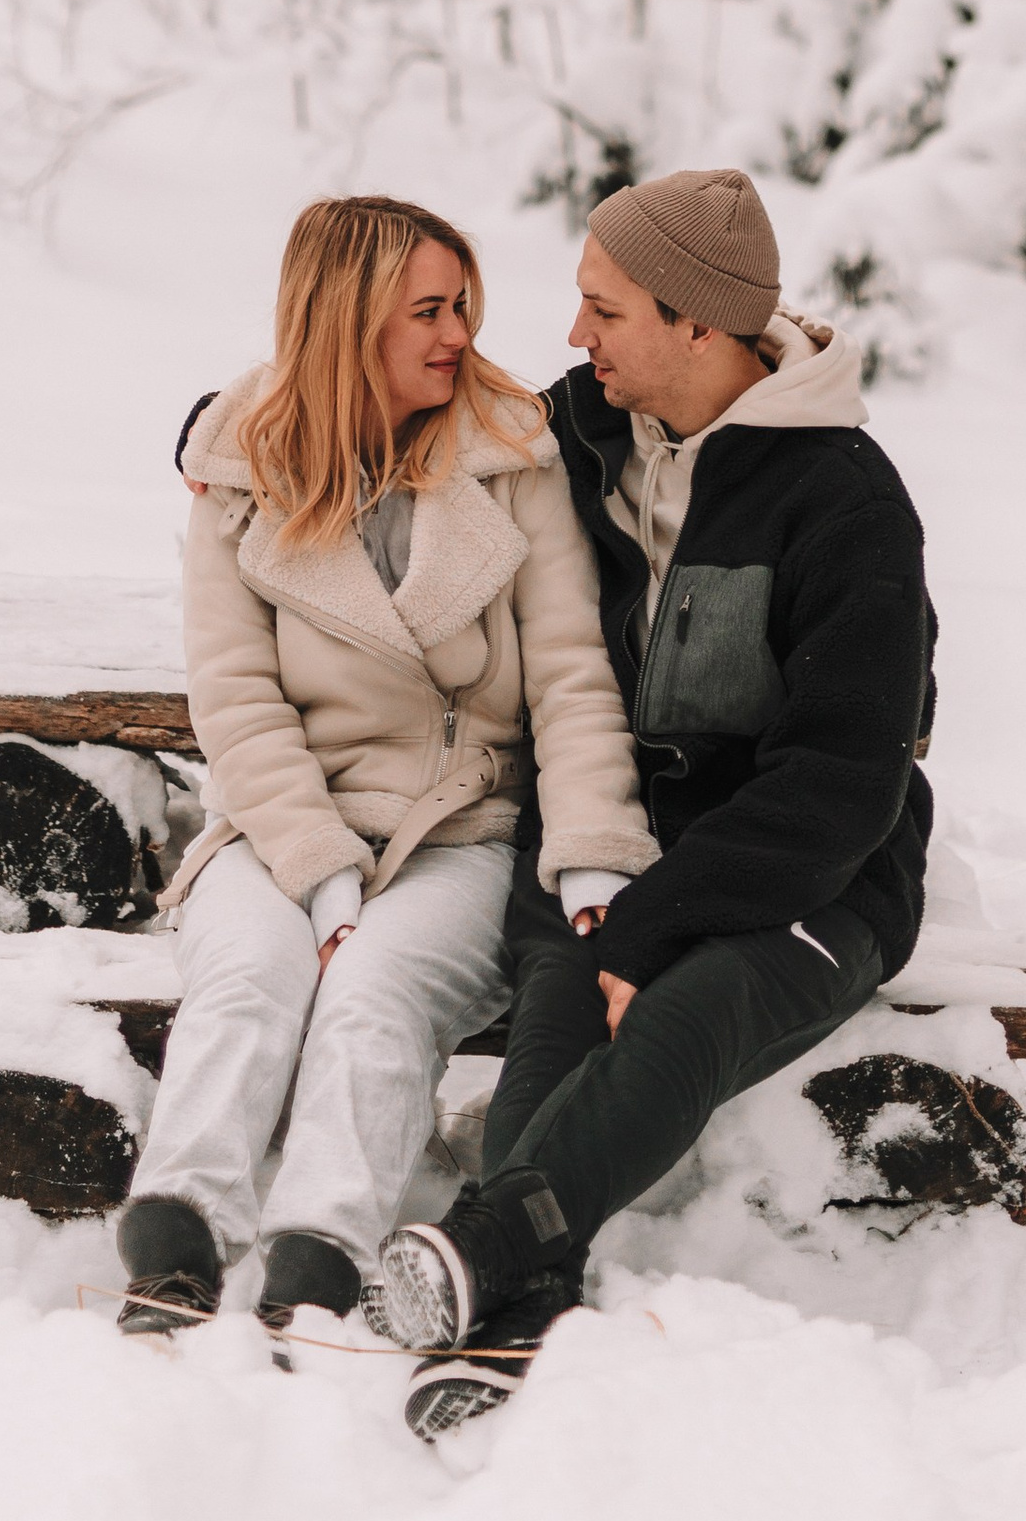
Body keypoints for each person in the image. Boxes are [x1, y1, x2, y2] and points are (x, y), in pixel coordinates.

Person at [374, 164, 933, 1439]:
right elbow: (360, 422)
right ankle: (515, 1302)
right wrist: (214, 429)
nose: (574, 337)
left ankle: (483, 1245)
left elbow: (844, 779)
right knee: (561, 1001)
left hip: (816, 870)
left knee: (694, 1008)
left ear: (693, 320)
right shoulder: (573, 430)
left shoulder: (844, 502)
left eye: (602, 309)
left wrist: (658, 921)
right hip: (605, 834)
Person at [116, 193, 657, 1344]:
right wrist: (315, 868)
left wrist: (592, 855)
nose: (457, 333)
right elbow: (237, 697)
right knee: (249, 985)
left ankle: (316, 1262)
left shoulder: (513, 453)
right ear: (343, 317)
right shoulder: (240, 462)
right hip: (278, 825)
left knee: (373, 999)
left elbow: (568, 676)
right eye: (426, 309)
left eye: (463, 304)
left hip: (457, 830)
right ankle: (173, 1243)